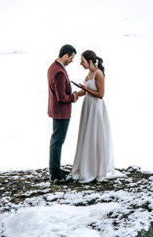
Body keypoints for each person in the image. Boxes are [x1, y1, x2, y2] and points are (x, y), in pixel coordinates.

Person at [70, 49, 115, 183]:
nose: (80, 64)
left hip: (96, 107)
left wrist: (86, 89)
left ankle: (96, 169)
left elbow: (100, 95)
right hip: (88, 106)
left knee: (94, 135)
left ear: (90, 61)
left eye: (82, 61)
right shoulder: (89, 73)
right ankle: (86, 166)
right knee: (86, 135)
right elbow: (86, 91)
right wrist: (77, 93)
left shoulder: (98, 74)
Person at [47, 43, 79, 182]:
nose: (71, 61)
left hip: (55, 110)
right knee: (57, 142)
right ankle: (55, 173)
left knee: (56, 141)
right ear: (66, 55)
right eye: (71, 58)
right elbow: (61, 97)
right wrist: (73, 97)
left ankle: (55, 169)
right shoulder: (59, 71)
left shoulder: (53, 67)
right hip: (61, 112)